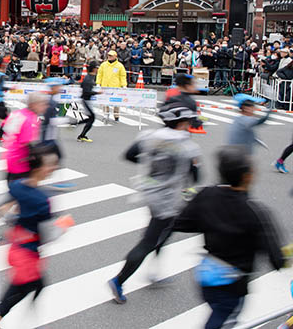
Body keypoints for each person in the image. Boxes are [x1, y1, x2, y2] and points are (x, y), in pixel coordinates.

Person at [173, 147, 288, 329]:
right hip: (232, 284)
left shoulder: (206, 195)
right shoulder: (256, 212)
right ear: (247, 177)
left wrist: (210, 222)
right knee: (223, 319)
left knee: (218, 313)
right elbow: (277, 259)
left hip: (206, 278)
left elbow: (181, 223)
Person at [108, 102, 201, 304]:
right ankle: (118, 280)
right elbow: (195, 174)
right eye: (187, 122)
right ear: (182, 123)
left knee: (165, 232)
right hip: (167, 199)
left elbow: (129, 155)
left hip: (151, 191)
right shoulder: (187, 145)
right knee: (149, 241)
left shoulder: (150, 136)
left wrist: (153, 164)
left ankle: (154, 272)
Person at [0, 146, 72, 317]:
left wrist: (15, 219)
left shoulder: (17, 185)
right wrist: (63, 225)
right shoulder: (42, 200)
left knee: (38, 284)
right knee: (9, 301)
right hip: (26, 257)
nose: (54, 168)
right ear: (39, 168)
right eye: (51, 164)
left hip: (16, 248)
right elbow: (47, 236)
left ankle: (27, 317)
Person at [0, 92, 48, 243]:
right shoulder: (30, 120)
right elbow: (28, 145)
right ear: (34, 105)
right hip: (21, 164)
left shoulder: (17, 114)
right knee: (15, 197)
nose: (44, 107)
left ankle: (18, 224)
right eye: (43, 104)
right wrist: (39, 165)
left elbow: (5, 126)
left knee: (18, 198)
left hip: (10, 158)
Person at [97, 49, 127, 122]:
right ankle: (105, 114)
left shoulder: (119, 66)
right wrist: (98, 83)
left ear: (115, 56)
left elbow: (122, 76)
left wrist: (124, 85)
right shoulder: (103, 65)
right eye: (108, 55)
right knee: (105, 102)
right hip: (105, 86)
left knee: (116, 102)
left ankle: (116, 116)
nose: (109, 57)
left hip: (115, 87)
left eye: (111, 56)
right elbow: (99, 74)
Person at [76, 61, 98, 142]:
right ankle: (82, 135)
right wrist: (97, 93)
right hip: (86, 100)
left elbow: (82, 85)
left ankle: (75, 124)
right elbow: (86, 91)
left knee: (90, 118)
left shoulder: (91, 77)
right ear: (93, 68)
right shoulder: (88, 78)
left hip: (87, 99)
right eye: (96, 68)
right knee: (92, 118)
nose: (97, 70)